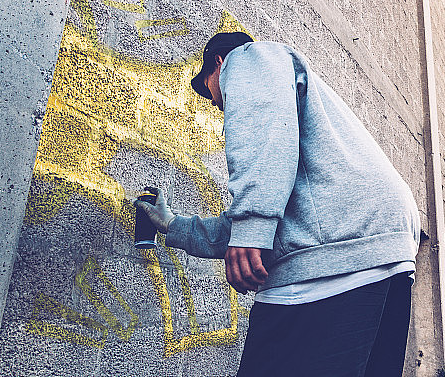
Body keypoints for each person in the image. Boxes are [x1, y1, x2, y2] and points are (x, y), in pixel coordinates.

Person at [136, 32, 421, 377]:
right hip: (382, 253)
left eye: (208, 87)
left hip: (333, 260)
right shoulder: (298, 169)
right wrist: (174, 225)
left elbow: (255, 213)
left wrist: (251, 225)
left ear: (218, 63)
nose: (214, 102)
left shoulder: (249, 58)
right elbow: (260, 226)